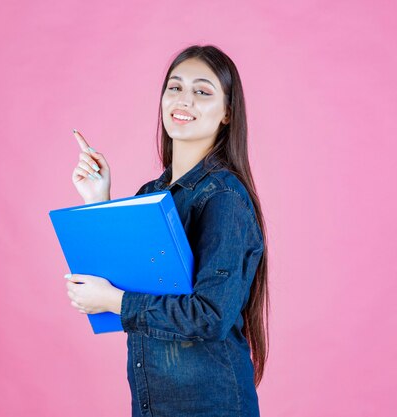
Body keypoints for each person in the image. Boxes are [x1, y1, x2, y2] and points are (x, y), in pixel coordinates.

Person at [64, 44, 269, 417]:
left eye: (202, 91)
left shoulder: (224, 198)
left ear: (227, 113)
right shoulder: (150, 195)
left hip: (212, 406)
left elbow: (210, 316)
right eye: (175, 87)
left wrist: (112, 301)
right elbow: (130, 285)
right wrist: (99, 199)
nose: (183, 100)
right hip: (153, 403)